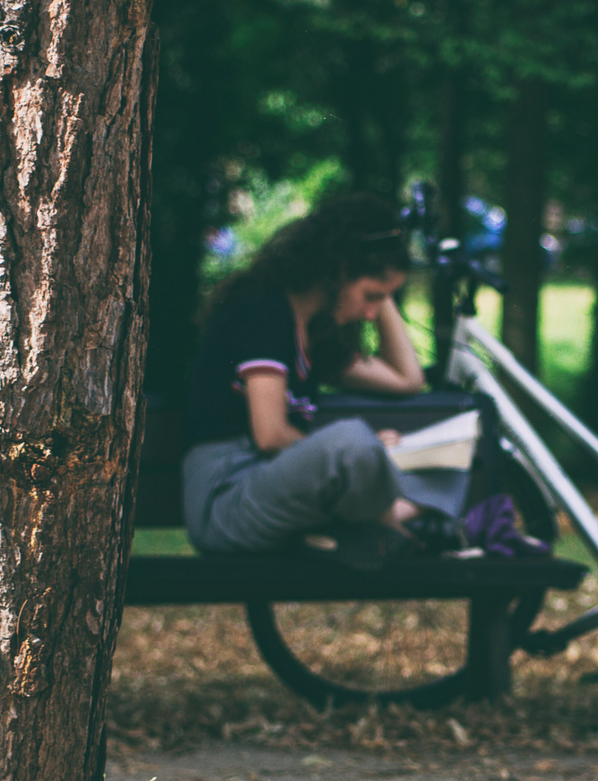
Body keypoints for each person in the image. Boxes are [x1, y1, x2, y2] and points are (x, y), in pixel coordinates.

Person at [181, 193, 442, 557]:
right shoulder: (263, 313)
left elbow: (407, 380)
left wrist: (383, 290)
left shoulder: (315, 335)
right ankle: (391, 524)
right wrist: (370, 450)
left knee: (423, 453)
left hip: (275, 492)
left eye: (380, 300)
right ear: (339, 271)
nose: (371, 313)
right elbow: (270, 435)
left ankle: (369, 528)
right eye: (370, 295)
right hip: (227, 499)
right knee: (355, 440)